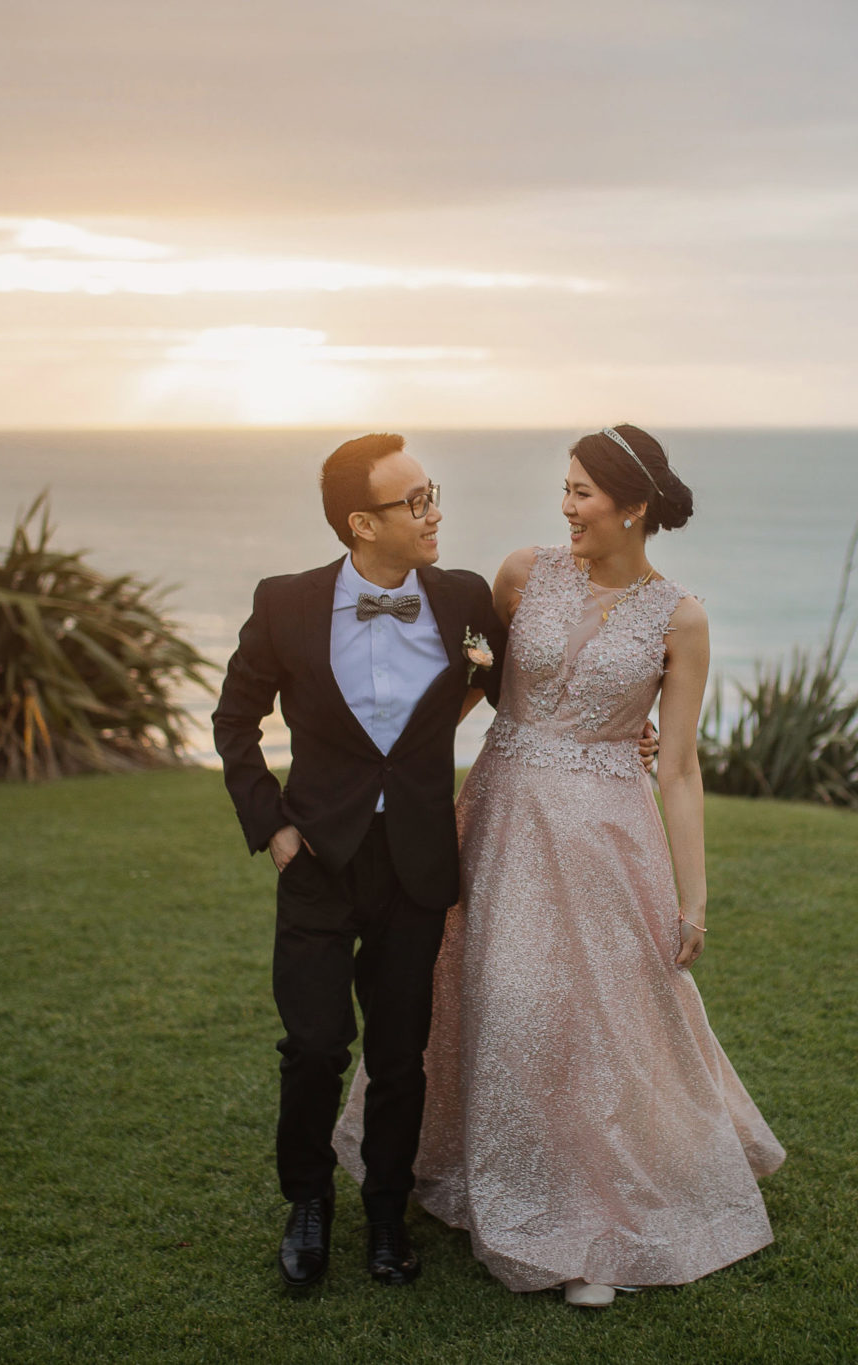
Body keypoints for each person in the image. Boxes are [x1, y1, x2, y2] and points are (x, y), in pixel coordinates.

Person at [336, 424, 785, 1308]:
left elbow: (681, 765)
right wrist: (377, 769)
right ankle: (486, 1173)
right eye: (566, 488)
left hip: (609, 836)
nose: (567, 506)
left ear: (634, 506)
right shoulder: (520, 573)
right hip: (504, 813)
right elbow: (470, 688)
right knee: (504, 994)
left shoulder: (680, 617)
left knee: (593, 1016)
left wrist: (694, 899)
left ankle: (589, 1222)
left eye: (583, 492)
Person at [211, 433, 510, 1292]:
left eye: (431, 493)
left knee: (400, 1053)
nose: (434, 512)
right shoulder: (286, 603)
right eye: (414, 502)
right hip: (317, 858)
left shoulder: (461, 599)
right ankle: (307, 1204)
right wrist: (271, 827)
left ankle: (386, 1211)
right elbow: (234, 722)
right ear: (359, 523)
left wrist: (631, 720)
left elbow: (521, 694)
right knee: (312, 1046)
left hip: (415, 861)